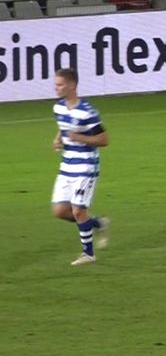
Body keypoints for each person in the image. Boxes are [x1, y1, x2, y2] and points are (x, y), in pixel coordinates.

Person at [51, 68, 109, 266]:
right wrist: (58, 139)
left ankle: (88, 254)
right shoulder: (58, 108)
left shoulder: (87, 111)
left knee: (78, 210)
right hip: (67, 164)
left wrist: (80, 138)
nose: (56, 88)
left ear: (72, 85)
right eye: (56, 84)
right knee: (59, 211)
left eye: (59, 85)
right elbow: (63, 126)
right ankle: (97, 223)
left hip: (86, 165)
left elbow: (104, 139)